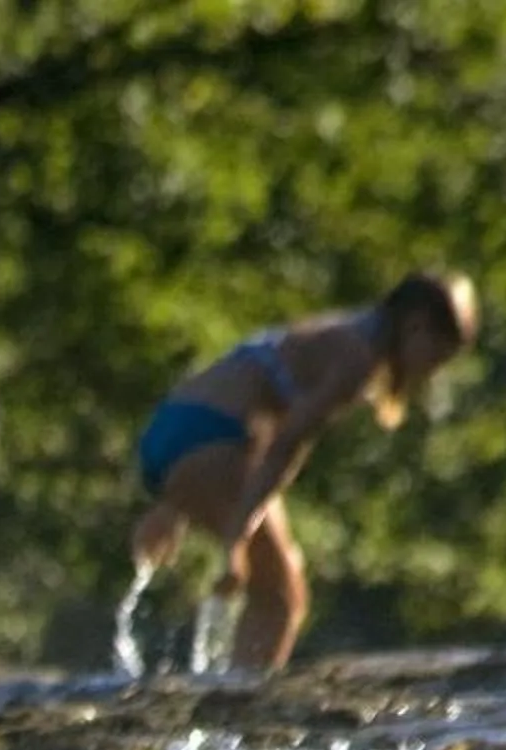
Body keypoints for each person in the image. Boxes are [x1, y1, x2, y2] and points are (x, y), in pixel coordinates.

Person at [126, 268, 481, 672]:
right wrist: (235, 538)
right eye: (437, 355)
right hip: (212, 438)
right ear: (415, 325)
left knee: (276, 586)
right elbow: (285, 445)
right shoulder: (356, 358)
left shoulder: (338, 330)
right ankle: (237, 700)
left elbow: (242, 401)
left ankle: (228, 687)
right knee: (281, 596)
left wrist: (174, 503)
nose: (433, 370)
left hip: (173, 429)